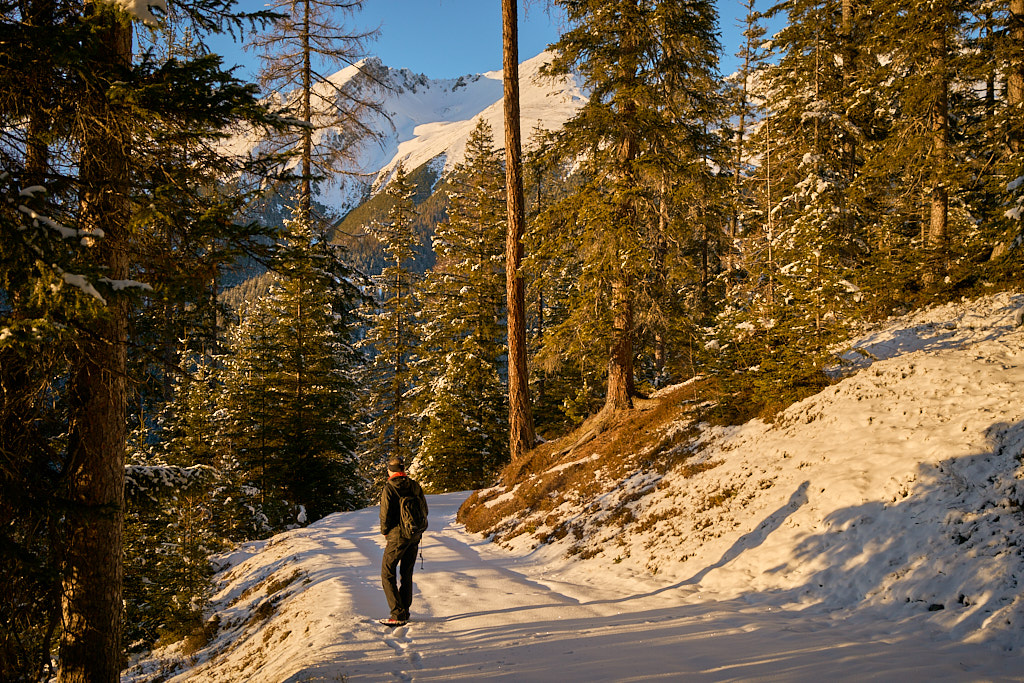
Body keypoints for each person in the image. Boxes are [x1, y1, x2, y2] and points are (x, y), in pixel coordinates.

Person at [379, 456, 428, 625]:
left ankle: (397, 614)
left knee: (387, 573)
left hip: (397, 537)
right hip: (414, 535)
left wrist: (385, 532)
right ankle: (404, 611)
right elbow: (425, 510)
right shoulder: (414, 485)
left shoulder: (389, 488)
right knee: (406, 573)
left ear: (390, 470)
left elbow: (385, 515)